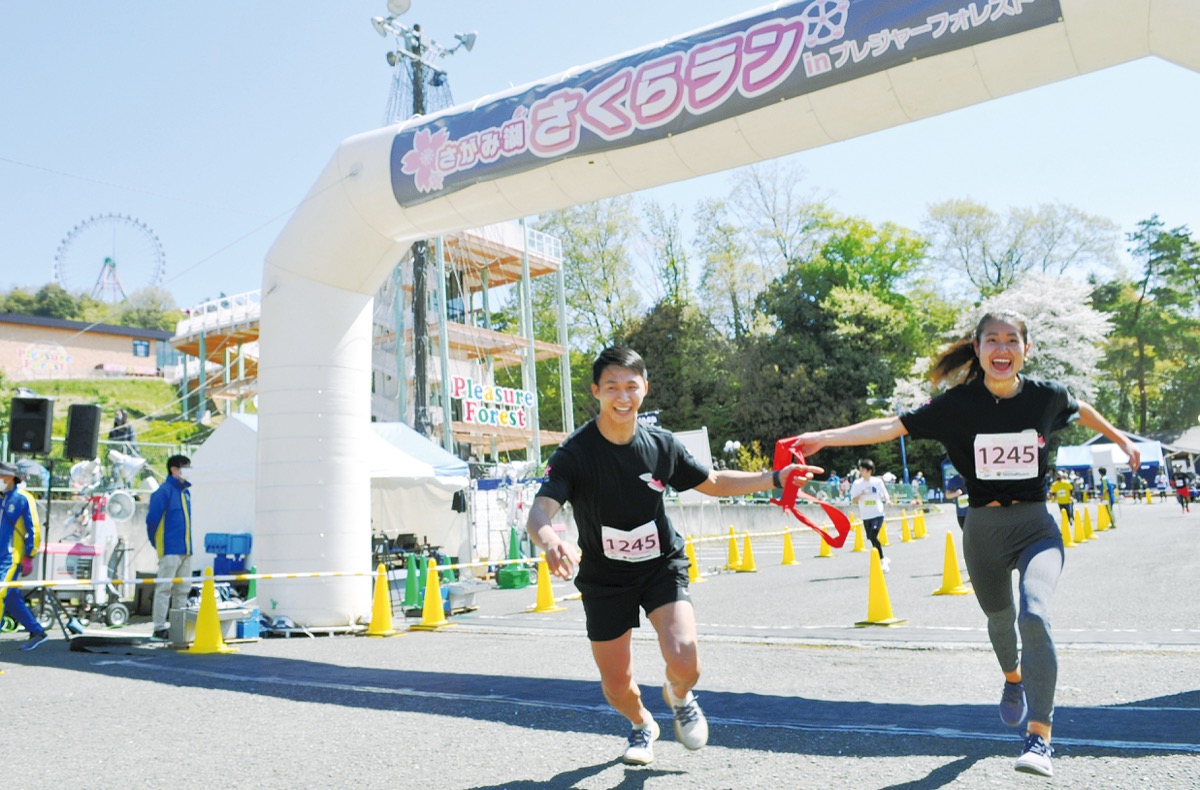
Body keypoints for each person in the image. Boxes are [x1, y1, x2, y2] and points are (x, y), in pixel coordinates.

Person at [792, 310, 1140, 778]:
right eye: (992, 340)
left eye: (1012, 340)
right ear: (977, 349)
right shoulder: (957, 404)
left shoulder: (1047, 396)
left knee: (1034, 615)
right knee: (1000, 620)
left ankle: (1040, 736)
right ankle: (1013, 679)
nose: (1002, 349)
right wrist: (824, 438)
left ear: (1026, 349)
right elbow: (890, 426)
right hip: (982, 531)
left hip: (1036, 526)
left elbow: (1083, 410)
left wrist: (1123, 440)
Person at [525, 347, 816, 766]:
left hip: (660, 566)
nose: (622, 397)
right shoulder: (575, 453)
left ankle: (678, 696)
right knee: (616, 685)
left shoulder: (661, 445)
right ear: (596, 391)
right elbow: (539, 512)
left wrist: (775, 477)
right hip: (605, 579)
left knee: (685, 660)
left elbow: (713, 482)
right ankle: (642, 723)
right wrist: (551, 540)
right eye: (612, 387)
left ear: (645, 388)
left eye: (631, 386)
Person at [0, 461, 49, 651]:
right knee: (11, 596)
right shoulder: (2, 498)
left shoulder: (23, 498)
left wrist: (30, 554)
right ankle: (37, 631)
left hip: (11, 558)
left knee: (1, 593)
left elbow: (33, 529)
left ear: (9, 478)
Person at [145, 454, 193, 640]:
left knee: (183, 589)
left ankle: (178, 627)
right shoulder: (163, 492)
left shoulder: (186, 492)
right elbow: (152, 521)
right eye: (186, 467)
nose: (189, 471)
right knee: (164, 588)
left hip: (186, 549)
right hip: (169, 548)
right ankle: (159, 628)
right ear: (174, 469)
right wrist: (157, 544)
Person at [849, 459, 892, 571]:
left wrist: (888, 500)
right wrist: (862, 494)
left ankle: (882, 560)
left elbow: (884, 492)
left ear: (869, 471)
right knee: (871, 538)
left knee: (873, 534)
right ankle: (883, 558)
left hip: (878, 513)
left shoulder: (877, 482)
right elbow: (853, 500)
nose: (860, 471)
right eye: (860, 469)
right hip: (866, 515)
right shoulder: (857, 484)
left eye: (863, 469)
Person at [944, 462, 969, 529]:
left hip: (973, 512)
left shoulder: (971, 478)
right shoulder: (953, 480)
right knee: (965, 532)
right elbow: (947, 495)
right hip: (961, 513)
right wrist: (955, 494)